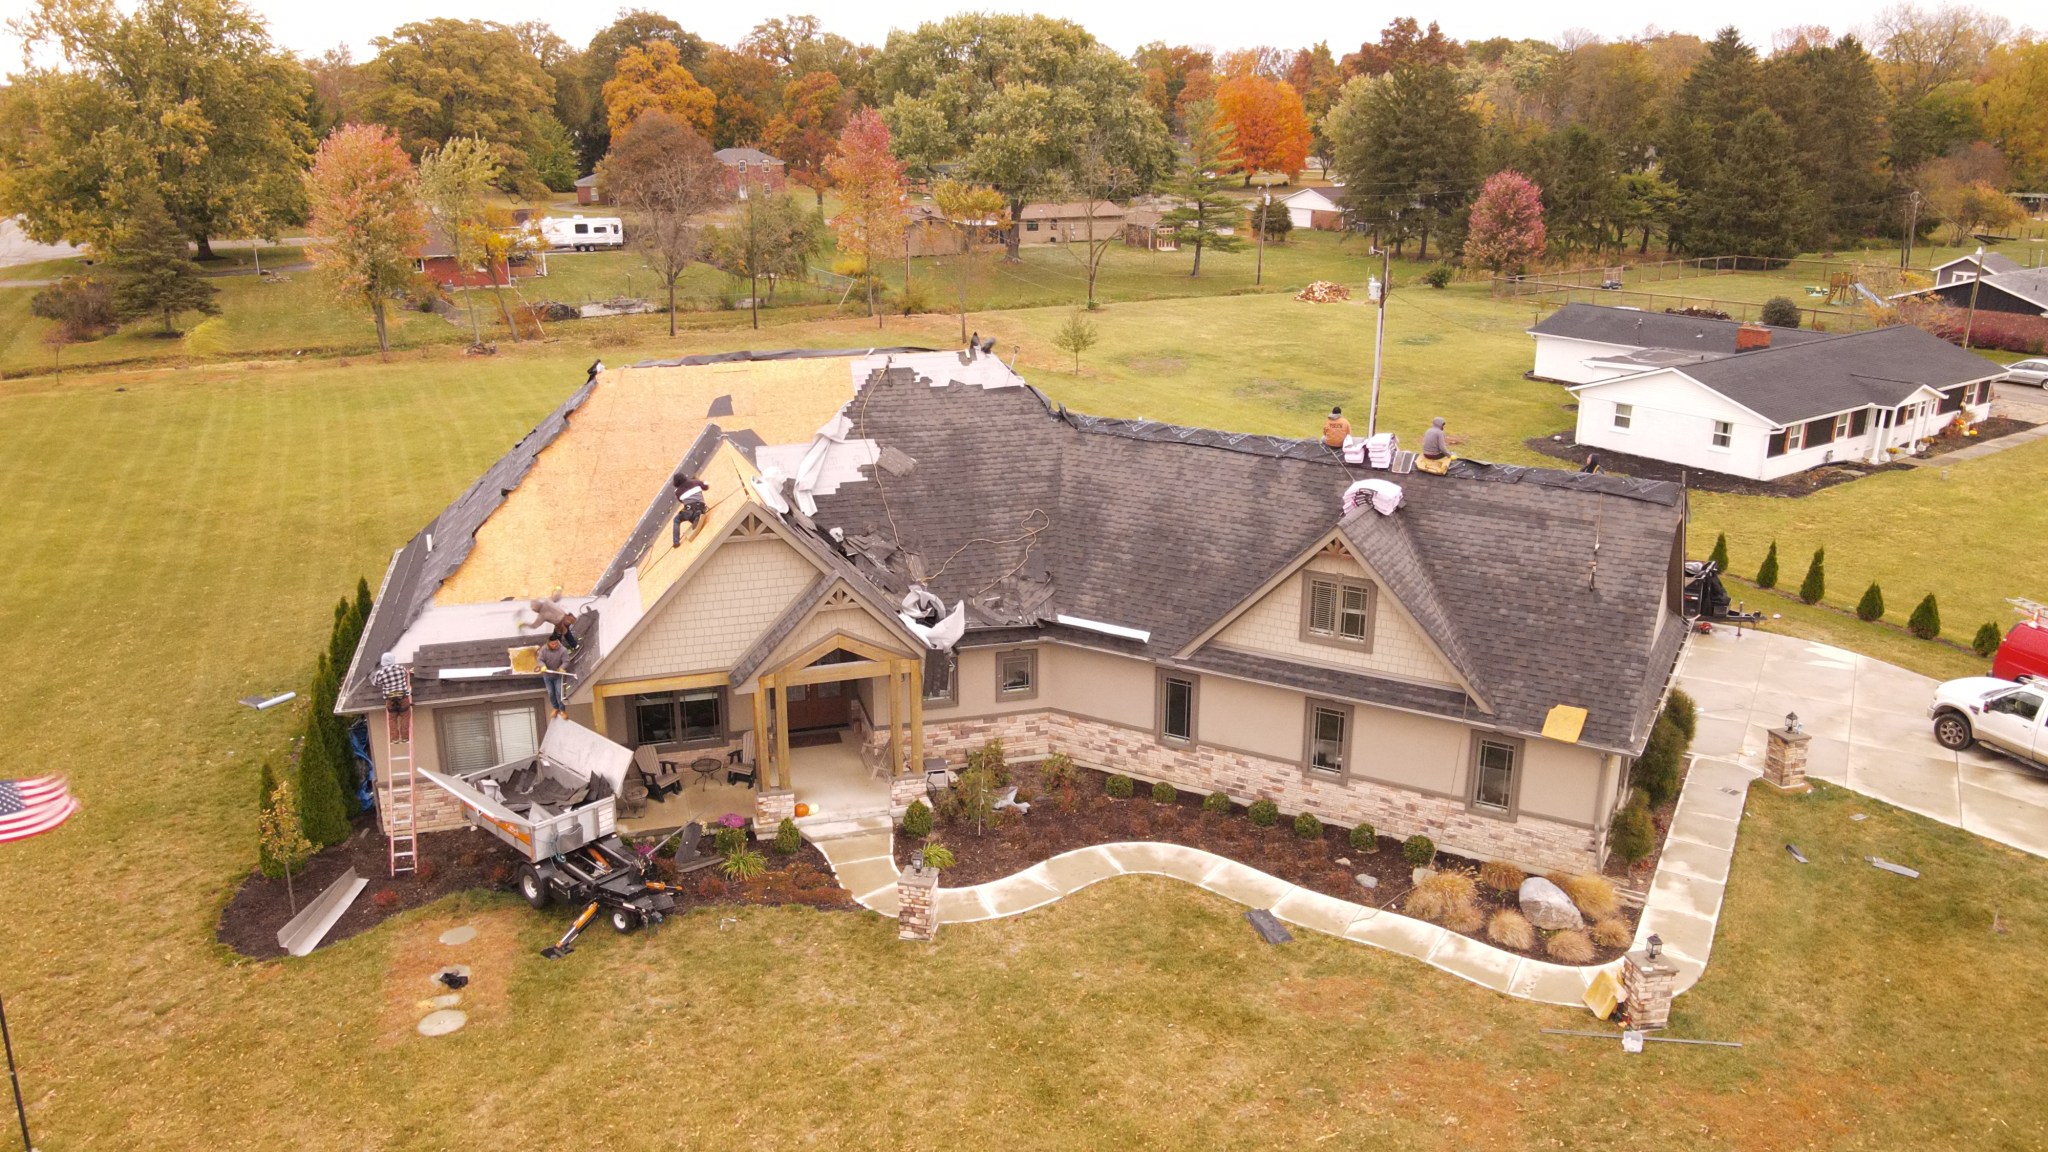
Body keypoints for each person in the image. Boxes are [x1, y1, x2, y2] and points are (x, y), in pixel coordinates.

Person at [373, 652, 412, 742]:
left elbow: (376, 683)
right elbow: (406, 674)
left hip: (390, 699)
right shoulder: (401, 668)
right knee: (405, 716)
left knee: (392, 718)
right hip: (402, 697)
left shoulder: (380, 673)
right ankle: (405, 738)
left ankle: (394, 738)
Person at [538, 637, 572, 719]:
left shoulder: (563, 650)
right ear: (548, 643)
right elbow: (540, 660)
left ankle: (562, 710)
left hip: (558, 675)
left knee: (559, 692)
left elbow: (566, 661)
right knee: (550, 693)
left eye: (556, 643)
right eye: (552, 644)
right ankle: (555, 708)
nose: (555, 645)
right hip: (547, 675)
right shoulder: (543, 650)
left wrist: (562, 667)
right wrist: (543, 666)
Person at [671, 472, 708, 546]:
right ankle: (697, 517)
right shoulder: (695, 482)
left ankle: (676, 542)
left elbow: (682, 501)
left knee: (676, 520)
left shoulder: (678, 492)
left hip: (688, 511)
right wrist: (704, 482)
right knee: (695, 512)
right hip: (701, 508)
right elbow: (706, 487)